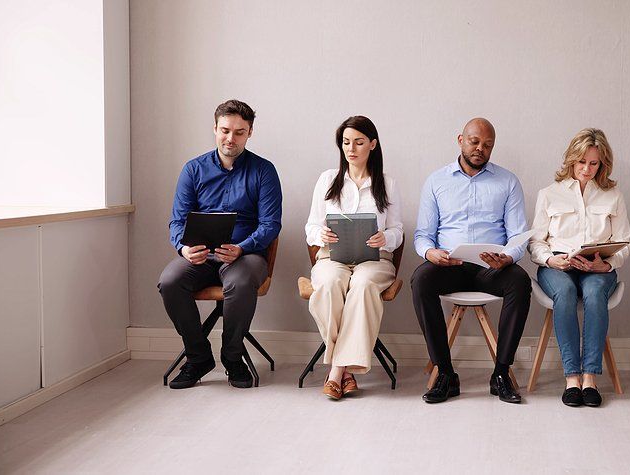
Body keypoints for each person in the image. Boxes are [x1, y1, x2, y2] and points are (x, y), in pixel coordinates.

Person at [158, 99, 283, 389]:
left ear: (250, 133)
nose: (231, 138)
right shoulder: (193, 169)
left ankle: (233, 357)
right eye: (225, 130)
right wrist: (184, 248)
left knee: (240, 282)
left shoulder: (264, 171)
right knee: (170, 281)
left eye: (239, 132)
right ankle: (198, 357)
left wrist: (243, 247)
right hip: (200, 256)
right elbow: (177, 221)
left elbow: (270, 224)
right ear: (215, 128)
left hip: (245, 255)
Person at [412, 117, 531, 404]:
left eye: (487, 145)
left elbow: (519, 235)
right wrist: (430, 253)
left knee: (520, 281)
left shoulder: (508, 181)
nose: (480, 149)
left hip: (491, 268)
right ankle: (445, 373)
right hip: (450, 265)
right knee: (421, 280)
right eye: (474, 142)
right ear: (460, 140)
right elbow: (423, 235)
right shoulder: (436, 181)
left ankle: (501, 373)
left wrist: (507, 257)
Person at [529, 128, 630, 408]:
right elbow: (536, 242)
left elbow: (625, 243)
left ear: (603, 164)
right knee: (564, 293)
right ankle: (572, 378)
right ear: (571, 159)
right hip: (557, 265)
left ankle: (590, 378)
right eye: (581, 162)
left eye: (594, 163)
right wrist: (550, 260)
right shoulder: (549, 194)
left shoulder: (613, 195)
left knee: (595, 294)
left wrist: (606, 264)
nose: (587, 169)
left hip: (597, 266)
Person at [305, 116, 403, 400]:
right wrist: (321, 234)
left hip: (375, 260)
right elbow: (310, 227)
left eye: (359, 142)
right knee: (329, 283)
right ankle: (346, 370)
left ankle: (336, 370)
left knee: (362, 285)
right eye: (346, 142)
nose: (351, 149)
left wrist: (386, 238)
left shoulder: (387, 183)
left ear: (372, 144)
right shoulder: (327, 179)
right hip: (332, 257)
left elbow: (398, 230)